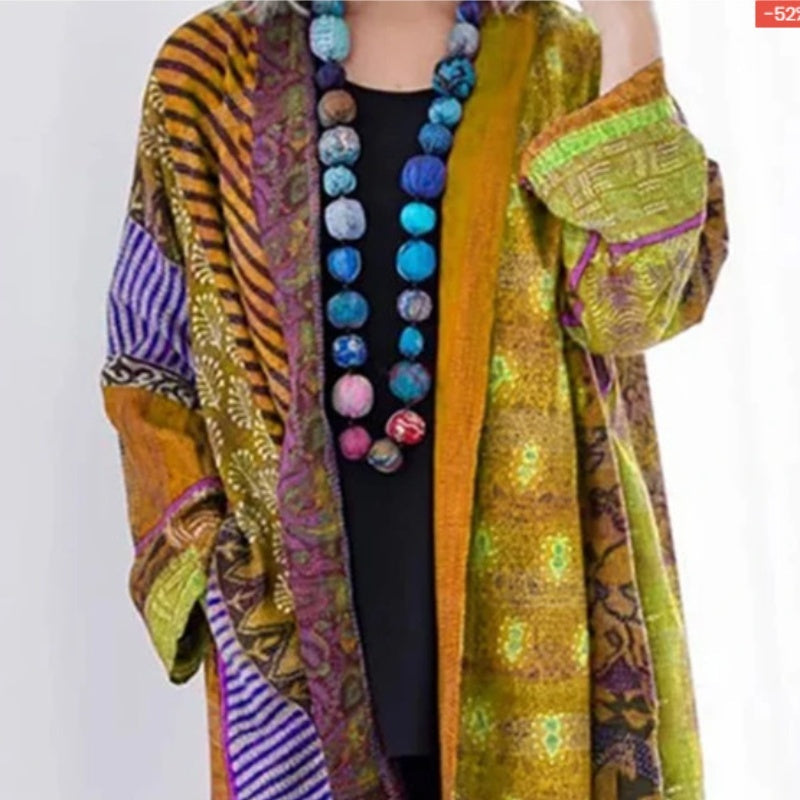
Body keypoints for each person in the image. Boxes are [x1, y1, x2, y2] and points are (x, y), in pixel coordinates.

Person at [99, 1, 729, 798]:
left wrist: (627, 21)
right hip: (298, 648)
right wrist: (213, 571)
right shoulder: (212, 72)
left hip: (536, 644)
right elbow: (147, 359)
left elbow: (633, 307)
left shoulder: (559, 57)